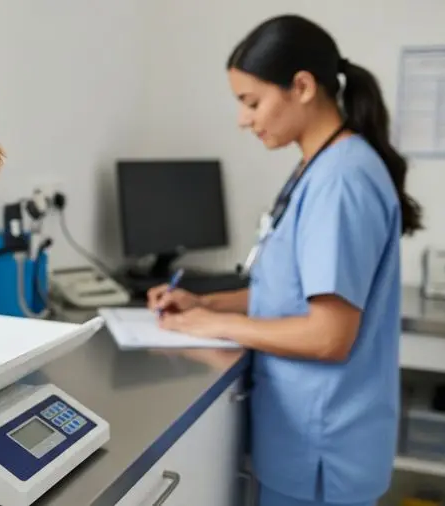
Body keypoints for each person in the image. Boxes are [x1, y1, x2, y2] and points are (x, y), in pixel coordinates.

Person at [147, 14, 423, 506]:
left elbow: (328, 335)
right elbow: (293, 293)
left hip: (322, 450)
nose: (243, 119)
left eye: (251, 102)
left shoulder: (341, 180)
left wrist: (211, 325)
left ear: (301, 86)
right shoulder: (319, 167)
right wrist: (210, 303)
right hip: (309, 440)